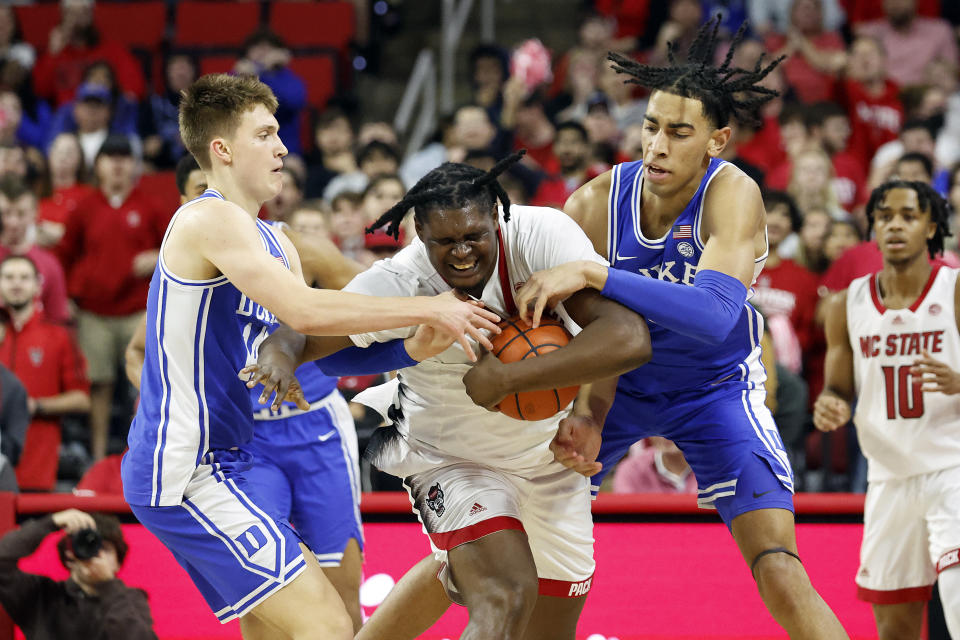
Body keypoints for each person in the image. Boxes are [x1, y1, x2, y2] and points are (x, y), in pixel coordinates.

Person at [119, 73, 498, 639]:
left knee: (288, 627)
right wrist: (427, 310)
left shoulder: (276, 242)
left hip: (233, 458)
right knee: (325, 624)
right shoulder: (207, 217)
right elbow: (306, 311)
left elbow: (316, 349)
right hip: (186, 468)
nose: (283, 147)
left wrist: (408, 348)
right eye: (266, 134)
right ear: (221, 150)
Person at [513, 20, 849, 638]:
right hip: (618, 387)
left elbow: (712, 315)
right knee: (508, 544)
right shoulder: (591, 205)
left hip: (714, 387)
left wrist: (597, 272)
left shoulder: (734, 195)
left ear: (717, 140)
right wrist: (588, 411)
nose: (656, 145)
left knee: (777, 563)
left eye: (678, 132)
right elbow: (589, 330)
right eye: (649, 127)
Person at [254, 153, 651, 640]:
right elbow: (306, 336)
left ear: (496, 220)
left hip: (547, 460)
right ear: (419, 232)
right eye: (444, 241)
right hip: (448, 458)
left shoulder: (544, 237)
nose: (461, 252)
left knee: (545, 628)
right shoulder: (402, 280)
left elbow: (625, 338)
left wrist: (580, 409)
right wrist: (280, 356)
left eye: (473, 236)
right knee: (505, 594)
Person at [125, 151, 369, 630]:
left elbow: (366, 299)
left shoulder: (296, 246)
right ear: (184, 202)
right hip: (244, 441)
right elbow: (137, 352)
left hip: (313, 423)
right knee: (266, 598)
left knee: (342, 586)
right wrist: (171, 395)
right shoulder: (186, 270)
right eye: (199, 193)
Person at [813, 180, 960, 637]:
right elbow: (839, 386)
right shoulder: (845, 304)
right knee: (894, 624)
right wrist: (830, 404)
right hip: (888, 479)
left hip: (952, 470)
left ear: (931, 225)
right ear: (872, 227)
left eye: (908, 216)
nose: (895, 224)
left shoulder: (954, 290)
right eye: (885, 216)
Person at [57, 135, 166, 461]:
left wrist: (157, 254)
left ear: (134, 166)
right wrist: (67, 298)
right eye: (110, 157)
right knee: (99, 385)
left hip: (138, 310)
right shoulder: (84, 208)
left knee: (143, 386)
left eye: (124, 158)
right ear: (98, 165)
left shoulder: (151, 207)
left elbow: (177, 252)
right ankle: (99, 456)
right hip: (93, 312)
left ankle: (141, 454)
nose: (117, 164)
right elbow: (65, 254)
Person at [0, 254, 89, 491]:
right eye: (8, 277)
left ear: (38, 285)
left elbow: (82, 399)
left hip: (36, 469)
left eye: (24, 277)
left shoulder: (58, 337)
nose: (16, 283)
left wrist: (35, 406)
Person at [0, 508, 156, 639]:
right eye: (87, 546)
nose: (96, 554)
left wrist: (107, 586)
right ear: (69, 555)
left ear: (118, 562)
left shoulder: (131, 599)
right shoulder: (41, 594)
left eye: (106, 549)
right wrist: (50, 523)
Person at [0, 174, 70, 324]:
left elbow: (57, 322)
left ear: (35, 214)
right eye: (6, 213)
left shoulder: (49, 264)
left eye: (20, 214)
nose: (13, 222)